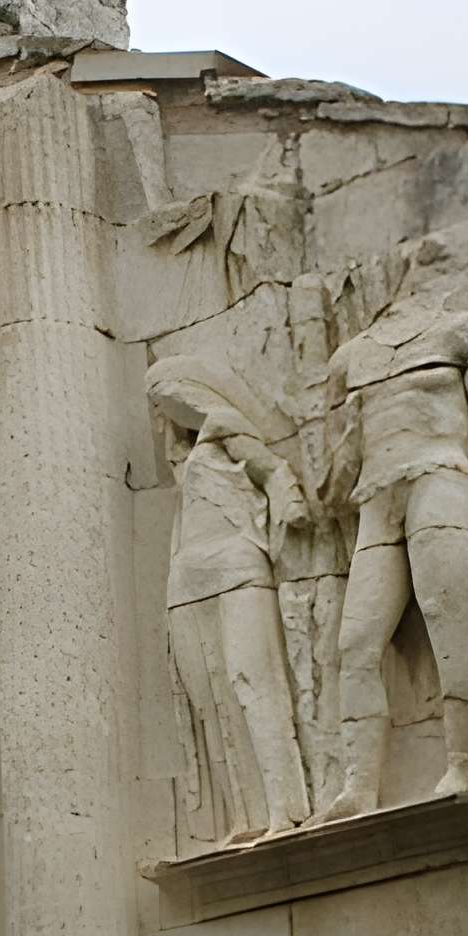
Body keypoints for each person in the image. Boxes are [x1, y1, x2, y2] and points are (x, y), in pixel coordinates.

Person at [318, 229, 468, 819]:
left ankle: (459, 763)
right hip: (378, 494)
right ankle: (359, 784)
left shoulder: (459, 329)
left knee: (445, 611)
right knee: (354, 643)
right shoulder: (349, 358)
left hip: (438, 477)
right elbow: (337, 466)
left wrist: (459, 462)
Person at [148, 355, 317, 845]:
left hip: (237, 565)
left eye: (167, 397)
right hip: (189, 578)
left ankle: (286, 807)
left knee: (251, 680)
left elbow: (276, 476)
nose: (165, 409)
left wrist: (291, 512)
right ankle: (246, 814)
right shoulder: (186, 456)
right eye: (158, 403)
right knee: (211, 696)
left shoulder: (225, 429)